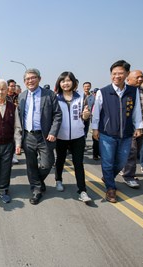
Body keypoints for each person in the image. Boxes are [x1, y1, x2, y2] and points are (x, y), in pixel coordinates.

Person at [92, 60, 143, 203]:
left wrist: (138, 126)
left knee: (121, 162)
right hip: (107, 133)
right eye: (114, 73)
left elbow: (136, 110)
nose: (117, 76)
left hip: (126, 134)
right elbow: (96, 112)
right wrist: (95, 129)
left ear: (127, 74)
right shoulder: (103, 92)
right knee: (108, 162)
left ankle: (108, 177)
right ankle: (110, 188)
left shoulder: (133, 91)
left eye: (120, 73)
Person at [18, 68, 62, 205]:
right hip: (28, 136)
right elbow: (19, 117)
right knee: (31, 164)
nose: (30, 80)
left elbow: (57, 115)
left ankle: (37, 180)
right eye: (27, 79)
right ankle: (37, 189)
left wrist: (53, 132)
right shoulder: (22, 96)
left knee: (47, 163)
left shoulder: (49, 95)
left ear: (39, 79)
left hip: (45, 136)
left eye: (33, 77)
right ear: (24, 82)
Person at [54, 72, 92, 202]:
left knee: (78, 163)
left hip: (78, 136)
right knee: (60, 159)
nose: (66, 83)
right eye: (63, 81)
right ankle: (58, 179)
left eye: (68, 80)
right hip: (60, 136)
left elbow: (85, 116)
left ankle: (82, 190)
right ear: (59, 83)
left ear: (73, 82)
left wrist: (86, 116)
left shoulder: (81, 97)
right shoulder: (56, 98)